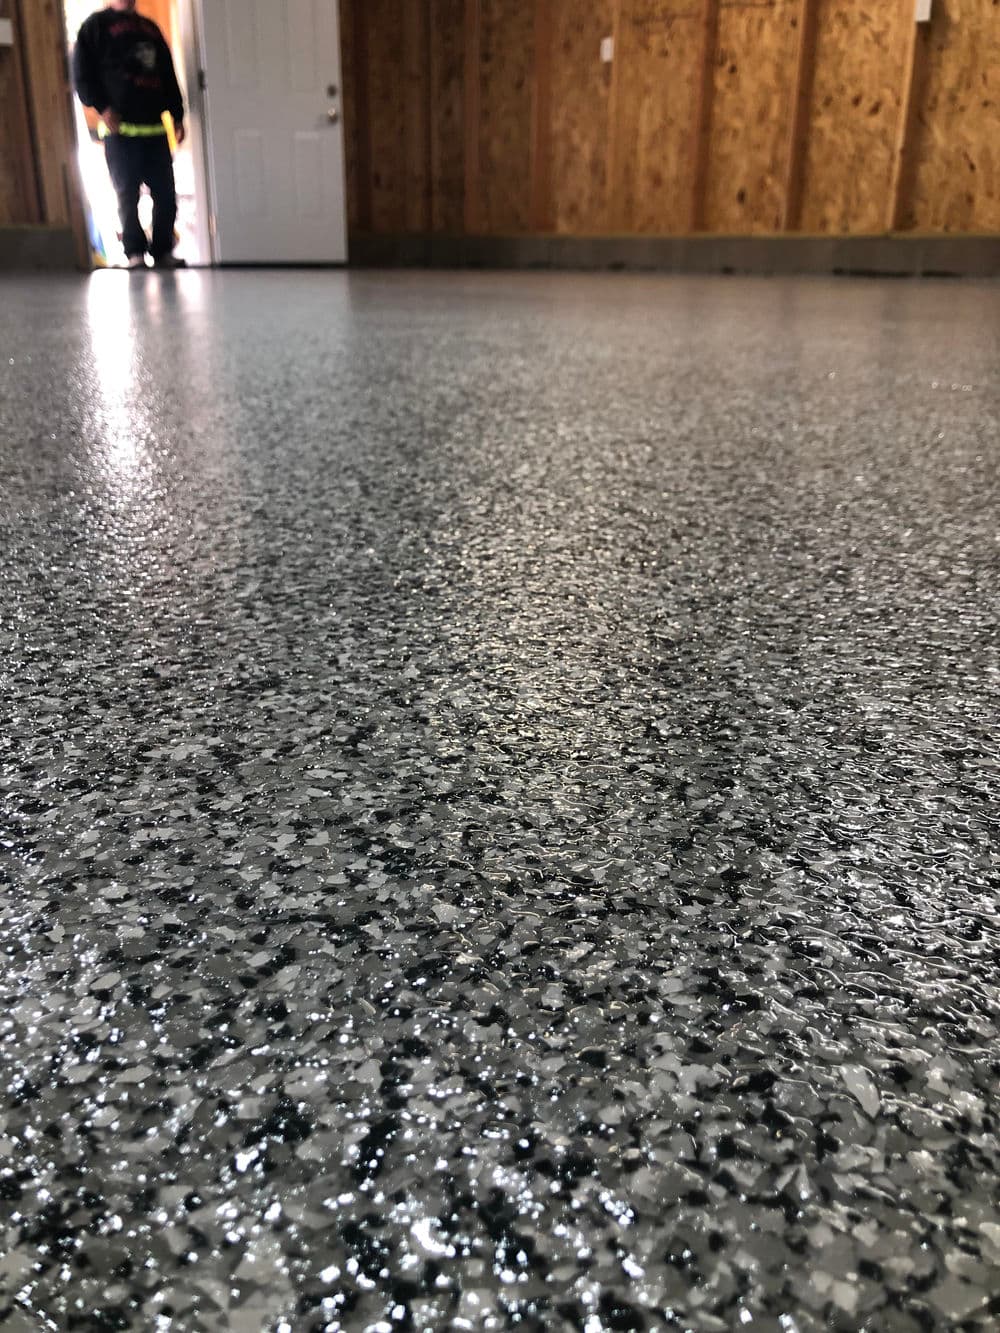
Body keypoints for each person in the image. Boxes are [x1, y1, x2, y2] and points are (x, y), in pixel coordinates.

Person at [73, 0, 186, 269]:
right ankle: (134, 254)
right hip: (120, 132)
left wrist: (177, 114)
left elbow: (167, 73)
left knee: (166, 194)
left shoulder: (150, 29)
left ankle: (163, 251)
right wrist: (103, 108)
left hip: (155, 130)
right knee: (127, 195)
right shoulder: (94, 28)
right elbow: (83, 76)